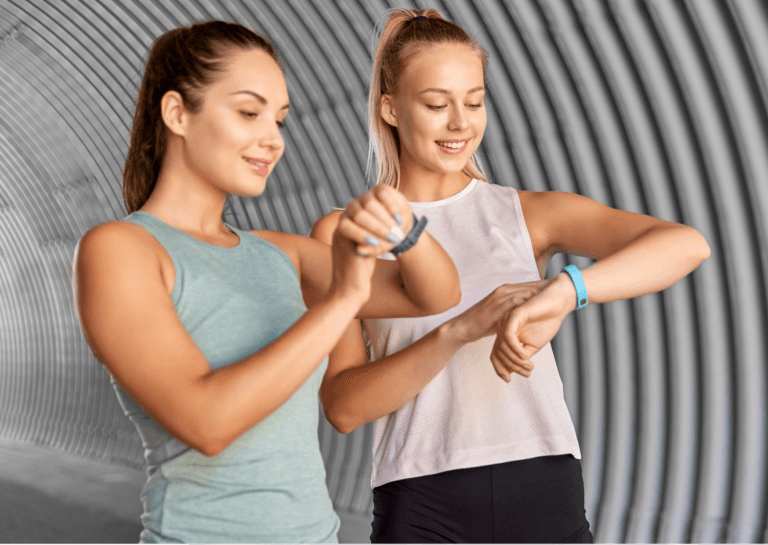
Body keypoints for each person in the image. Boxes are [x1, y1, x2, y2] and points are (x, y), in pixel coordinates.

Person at [310, 8, 711, 544]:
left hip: (542, 479)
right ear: (390, 109)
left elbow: (686, 244)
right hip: (420, 499)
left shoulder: (526, 213)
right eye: (436, 104)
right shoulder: (346, 230)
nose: (461, 123)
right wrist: (457, 331)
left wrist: (564, 292)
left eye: (474, 101)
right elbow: (342, 405)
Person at [71, 20, 461, 544]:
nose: (273, 140)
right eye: (249, 112)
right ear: (177, 113)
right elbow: (208, 423)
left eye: (279, 120)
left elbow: (436, 296)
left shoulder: (282, 254)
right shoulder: (120, 250)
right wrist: (343, 298)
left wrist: (403, 227)